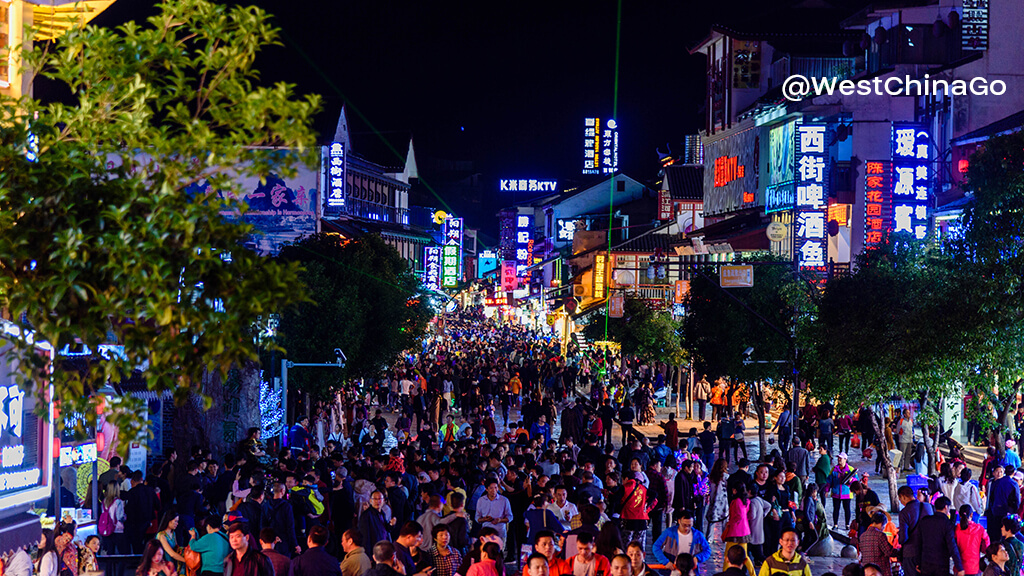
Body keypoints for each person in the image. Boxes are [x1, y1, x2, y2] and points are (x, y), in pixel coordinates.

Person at [911, 496, 964, 576]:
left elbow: (918, 543)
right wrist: (959, 567)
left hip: (925, 563)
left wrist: (917, 562)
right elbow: (952, 546)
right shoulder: (947, 524)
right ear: (946, 507)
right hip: (941, 564)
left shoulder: (925, 521)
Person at [898, 485, 934, 576]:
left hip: (911, 553)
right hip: (927, 551)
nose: (901, 502)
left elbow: (903, 538)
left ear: (903, 497)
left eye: (900, 499)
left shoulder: (904, 512)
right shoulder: (928, 507)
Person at [955, 505, 989, 576]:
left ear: (959, 515)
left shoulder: (956, 529)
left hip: (960, 568)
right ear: (971, 514)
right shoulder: (979, 529)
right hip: (975, 568)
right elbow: (987, 547)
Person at [475, 479, 513, 543]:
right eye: (491, 488)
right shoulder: (481, 500)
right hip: (486, 534)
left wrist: (500, 520)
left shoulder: (504, 500)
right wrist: (484, 519)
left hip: (500, 533)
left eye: (495, 488)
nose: (494, 490)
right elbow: (477, 517)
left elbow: (510, 517)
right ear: (486, 489)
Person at [859, 512, 896, 576]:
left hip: (866, 569)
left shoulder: (863, 536)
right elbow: (889, 552)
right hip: (879, 569)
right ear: (881, 523)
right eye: (884, 526)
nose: (883, 528)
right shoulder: (880, 535)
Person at [827, 452, 856, 529]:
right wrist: (827, 490)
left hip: (847, 493)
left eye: (841, 458)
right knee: (836, 509)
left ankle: (847, 525)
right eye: (838, 458)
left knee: (847, 509)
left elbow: (856, 481)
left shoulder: (851, 469)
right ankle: (835, 524)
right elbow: (829, 480)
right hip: (836, 493)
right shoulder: (834, 469)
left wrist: (851, 480)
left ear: (845, 459)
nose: (839, 459)